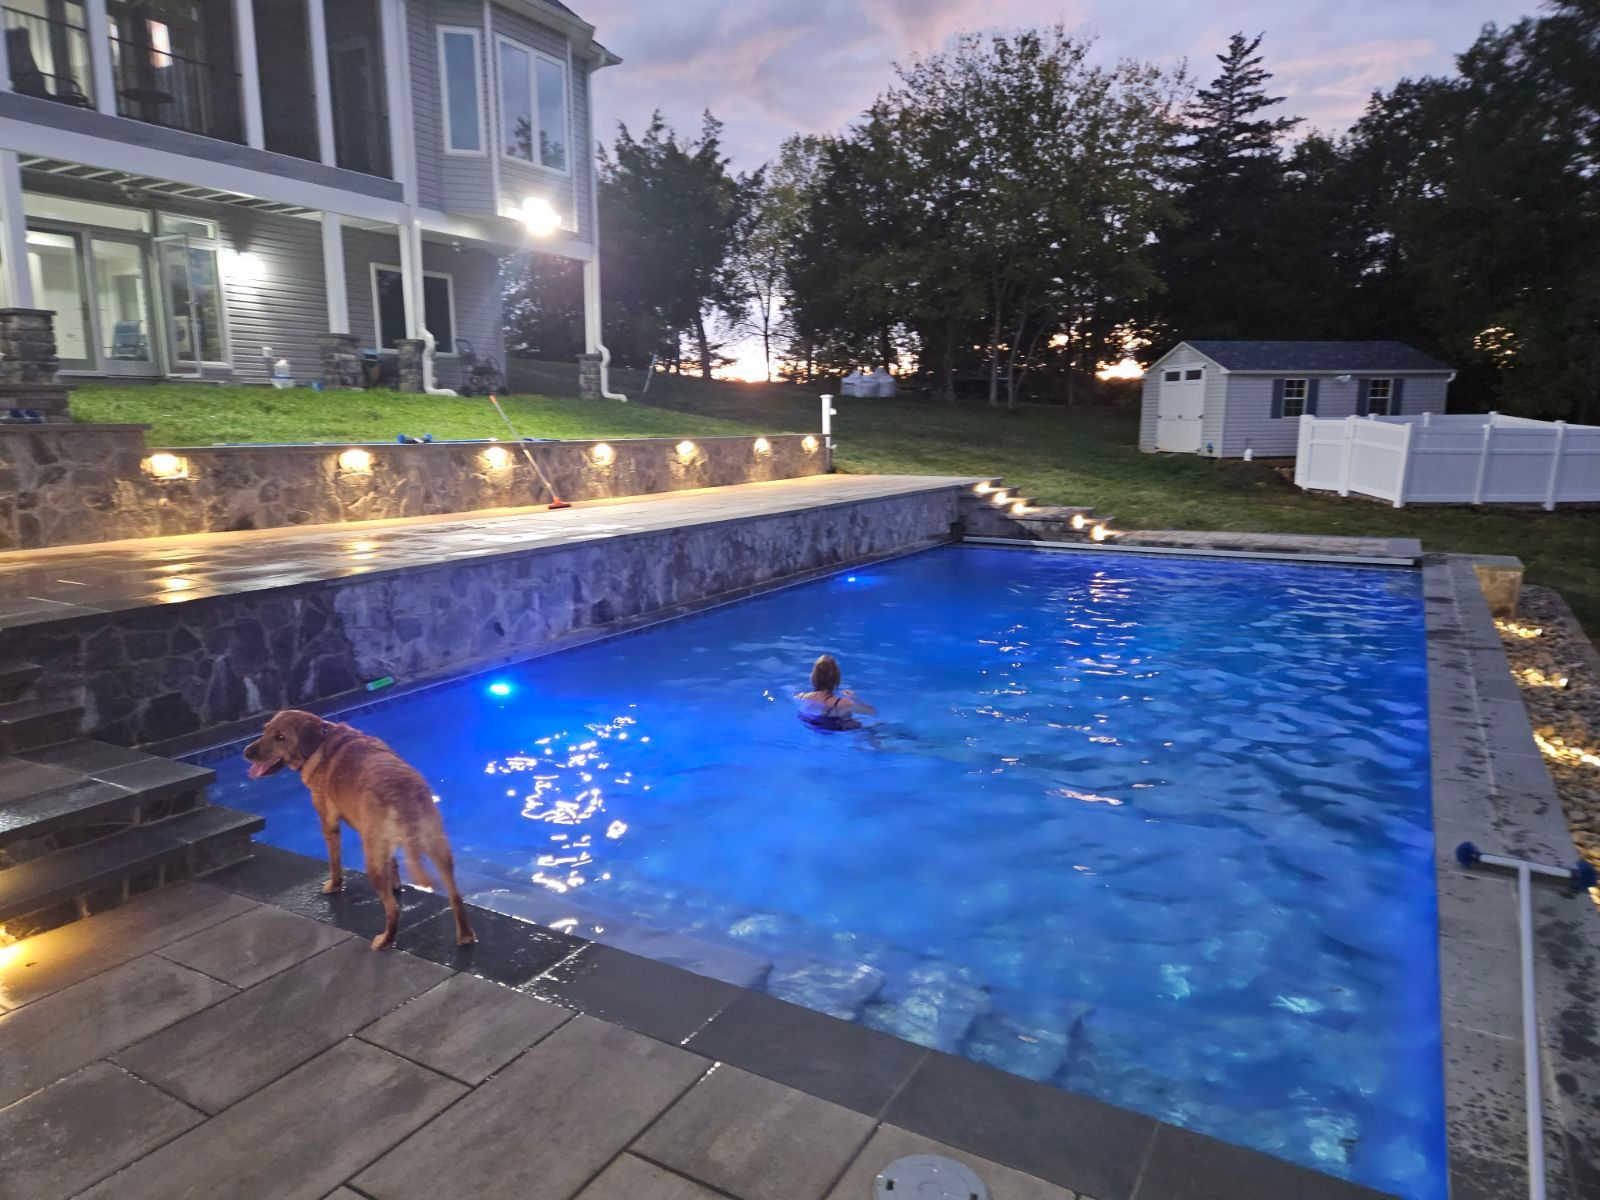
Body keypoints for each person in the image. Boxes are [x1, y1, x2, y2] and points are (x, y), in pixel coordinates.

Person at [795, 654, 877, 731]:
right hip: (833, 726)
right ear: (836, 679)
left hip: (812, 724)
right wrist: (855, 699)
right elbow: (872, 712)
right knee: (869, 726)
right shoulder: (842, 703)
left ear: (813, 677)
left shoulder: (801, 697)